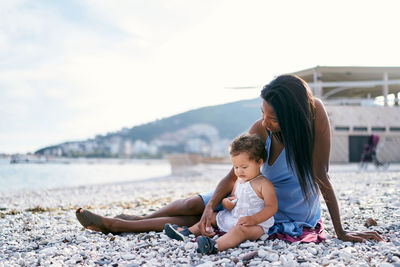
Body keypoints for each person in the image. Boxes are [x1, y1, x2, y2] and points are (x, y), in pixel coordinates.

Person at [75, 74, 383, 243]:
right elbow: (234, 173)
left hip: (285, 208)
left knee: (194, 221)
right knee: (192, 207)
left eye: (272, 117)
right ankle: (138, 219)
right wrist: (211, 205)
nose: (265, 122)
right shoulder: (261, 130)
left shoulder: (315, 118)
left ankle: (116, 225)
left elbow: (321, 175)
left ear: (292, 113)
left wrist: (341, 231)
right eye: (262, 113)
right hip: (250, 191)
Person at [163, 134, 277, 254]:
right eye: (236, 167)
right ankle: (187, 233)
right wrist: (226, 203)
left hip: (256, 226)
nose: (239, 171)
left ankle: (215, 245)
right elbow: (233, 197)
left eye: (244, 167)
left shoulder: (264, 184)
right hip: (234, 218)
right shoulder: (239, 181)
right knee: (211, 217)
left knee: (240, 231)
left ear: (259, 163)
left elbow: (272, 207)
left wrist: (253, 219)